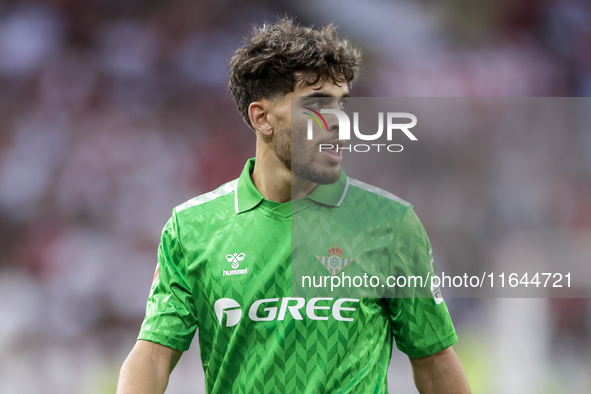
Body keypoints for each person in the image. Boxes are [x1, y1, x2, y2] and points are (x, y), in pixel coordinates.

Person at [116, 18, 471, 394]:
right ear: (262, 118)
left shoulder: (390, 223)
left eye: (342, 104)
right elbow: (154, 354)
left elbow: (434, 361)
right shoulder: (192, 229)